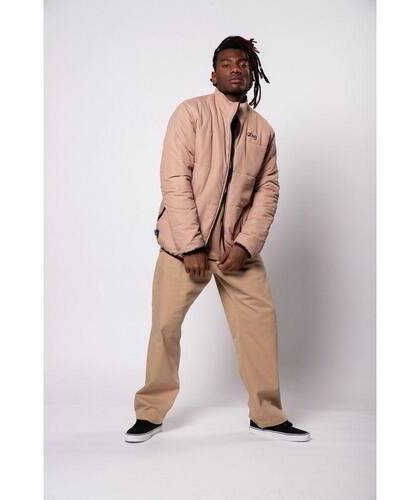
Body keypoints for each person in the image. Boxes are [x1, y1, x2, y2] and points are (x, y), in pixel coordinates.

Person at [125, 36, 311, 443]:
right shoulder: (190, 114)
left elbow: (268, 191)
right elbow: (175, 178)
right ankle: (150, 412)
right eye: (226, 64)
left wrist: (245, 245)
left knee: (259, 326)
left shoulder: (263, 131)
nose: (235, 69)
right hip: (182, 248)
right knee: (165, 327)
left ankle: (266, 415)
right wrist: (192, 245)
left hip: (235, 251)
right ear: (213, 74)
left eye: (243, 64)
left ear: (252, 73)